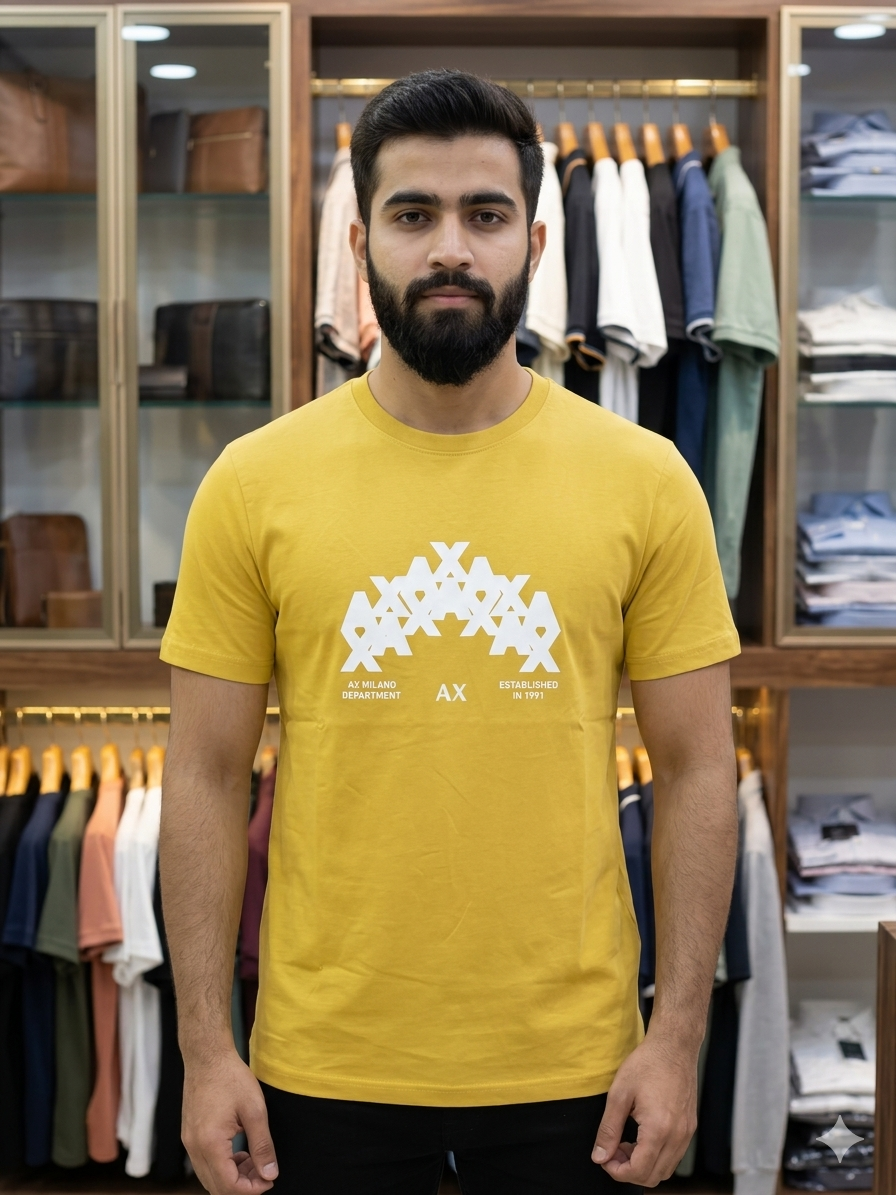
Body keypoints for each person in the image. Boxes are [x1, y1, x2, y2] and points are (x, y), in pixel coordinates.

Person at [159, 69, 741, 1195]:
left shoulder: (646, 480)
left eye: (483, 215)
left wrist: (676, 1038)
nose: (449, 250)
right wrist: (204, 1049)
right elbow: (203, 774)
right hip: (320, 1063)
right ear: (361, 239)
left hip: (576, 1067)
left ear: (532, 240)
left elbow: (697, 768)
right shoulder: (252, 482)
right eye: (412, 214)